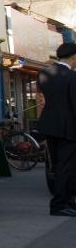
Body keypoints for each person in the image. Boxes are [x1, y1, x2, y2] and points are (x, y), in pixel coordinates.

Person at [36, 42, 76, 216]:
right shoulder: (71, 76)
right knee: (66, 167)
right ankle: (60, 204)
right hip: (68, 128)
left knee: (58, 165)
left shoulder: (44, 73)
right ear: (74, 58)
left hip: (50, 126)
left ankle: (66, 202)